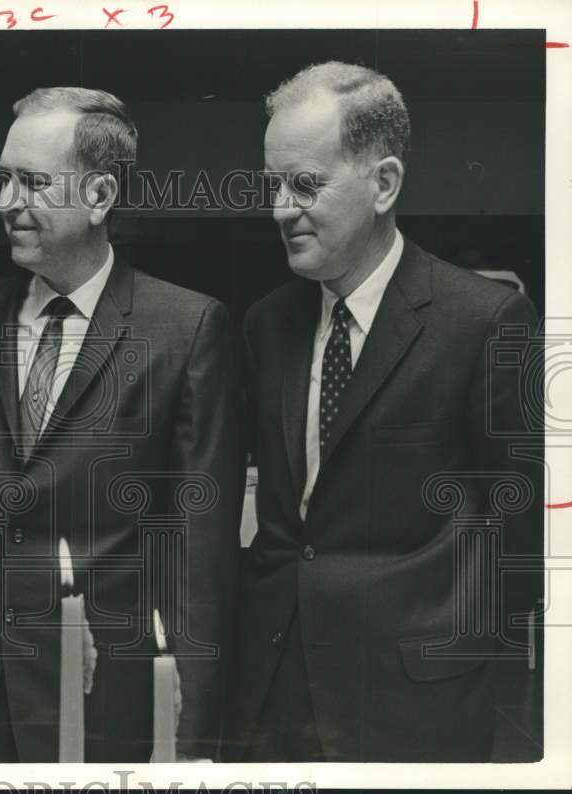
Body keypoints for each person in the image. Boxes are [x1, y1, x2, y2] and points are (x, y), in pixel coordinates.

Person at [221, 62, 542, 762]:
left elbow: (520, 539)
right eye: (273, 184)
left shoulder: (485, 322)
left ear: (384, 184)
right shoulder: (267, 324)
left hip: (414, 700)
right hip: (272, 691)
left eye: (304, 184)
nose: (279, 207)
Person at [0, 87, 243, 762]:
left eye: (33, 182)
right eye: (2, 180)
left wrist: (190, 733)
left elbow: (199, 553)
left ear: (100, 195)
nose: (8, 201)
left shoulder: (185, 328)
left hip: (114, 692)